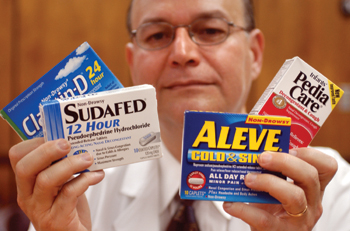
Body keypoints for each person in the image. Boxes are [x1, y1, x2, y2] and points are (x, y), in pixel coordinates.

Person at [8, 0, 350, 230]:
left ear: (254, 53)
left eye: (211, 30)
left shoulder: (333, 193)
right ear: (132, 64)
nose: (182, 53)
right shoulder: (80, 188)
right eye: (157, 35)